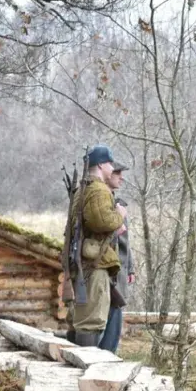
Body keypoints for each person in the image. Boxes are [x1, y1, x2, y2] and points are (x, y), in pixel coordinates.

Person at [69, 145, 127, 347]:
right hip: (95, 264)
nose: (112, 167)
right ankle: (90, 367)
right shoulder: (98, 190)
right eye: (110, 163)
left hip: (88, 262)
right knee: (91, 321)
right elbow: (102, 222)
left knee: (93, 317)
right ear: (102, 164)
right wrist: (119, 214)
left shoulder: (85, 188)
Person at [99, 162, 136, 354]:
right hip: (107, 271)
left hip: (119, 271)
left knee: (115, 320)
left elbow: (125, 240)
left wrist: (130, 267)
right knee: (104, 325)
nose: (121, 177)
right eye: (117, 173)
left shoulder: (117, 203)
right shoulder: (103, 203)